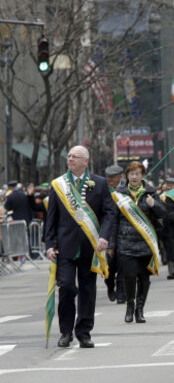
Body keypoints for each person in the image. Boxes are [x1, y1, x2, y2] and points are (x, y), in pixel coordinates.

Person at [44, 146, 116, 348]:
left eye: (74, 157)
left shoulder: (99, 183)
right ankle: (65, 331)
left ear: (86, 160)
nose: (70, 159)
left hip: (90, 247)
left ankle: (84, 332)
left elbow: (110, 213)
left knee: (87, 290)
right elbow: (51, 218)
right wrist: (49, 244)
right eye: (68, 156)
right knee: (66, 287)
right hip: (65, 247)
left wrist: (104, 237)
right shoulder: (59, 185)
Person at [109, 162, 166, 323]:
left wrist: (153, 205)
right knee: (129, 275)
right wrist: (111, 245)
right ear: (126, 176)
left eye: (138, 174)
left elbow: (163, 213)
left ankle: (140, 309)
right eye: (131, 174)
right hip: (125, 242)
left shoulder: (150, 193)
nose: (134, 177)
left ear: (143, 176)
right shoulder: (119, 194)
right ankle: (130, 305)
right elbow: (113, 221)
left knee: (144, 277)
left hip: (145, 242)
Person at [104, 165, 126, 304]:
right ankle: (110, 286)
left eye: (113, 177)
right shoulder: (103, 190)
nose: (110, 180)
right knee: (110, 268)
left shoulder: (126, 190)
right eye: (108, 177)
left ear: (120, 176)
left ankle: (121, 293)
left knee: (123, 266)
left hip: (124, 233)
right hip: (108, 232)